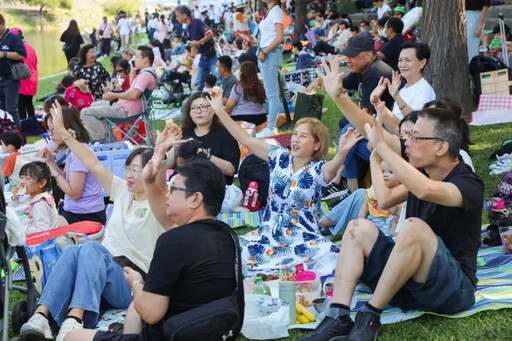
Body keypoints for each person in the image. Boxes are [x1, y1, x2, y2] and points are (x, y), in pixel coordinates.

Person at [300, 101, 483, 341]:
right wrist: (338, 95)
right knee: (358, 228)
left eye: (416, 138)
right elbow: (383, 199)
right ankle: (338, 315)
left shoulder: (468, 185)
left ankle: (370, 316)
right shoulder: (423, 172)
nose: (407, 142)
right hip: (407, 283)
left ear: (441, 147)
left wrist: (382, 147)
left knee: (414, 227)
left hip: (452, 289)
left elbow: (426, 189)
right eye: (407, 136)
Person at [19, 100, 166, 341]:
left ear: (152, 172)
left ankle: (75, 319)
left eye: (137, 170)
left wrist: (160, 153)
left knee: (90, 249)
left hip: (132, 282)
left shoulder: (160, 203)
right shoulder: (121, 190)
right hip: (101, 275)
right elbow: (92, 161)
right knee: (72, 251)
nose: (129, 173)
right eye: (128, 167)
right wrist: (64, 134)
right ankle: (41, 317)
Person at [66, 157, 241, 341]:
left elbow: (151, 313)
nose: (166, 195)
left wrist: (136, 283)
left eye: (173, 189)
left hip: (173, 334)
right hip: (213, 330)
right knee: (135, 306)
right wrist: (150, 179)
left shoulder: (172, 241)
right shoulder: (227, 235)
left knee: (72, 336)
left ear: (195, 199)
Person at [207, 88, 364, 274]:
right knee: (230, 249)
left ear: (316, 145)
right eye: (295, 134)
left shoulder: (317, 169)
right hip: (269, 233)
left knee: (329, 256)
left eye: (303, 136)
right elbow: (246, 139)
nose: (295, 139)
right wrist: (220, 111)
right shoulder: (279, 157)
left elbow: (332, 168)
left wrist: (342, 152)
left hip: (302, 238)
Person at [41, 105, 106, 226]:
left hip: (87, 216)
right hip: (77, 211)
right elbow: (66, 179)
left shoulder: (78, 154)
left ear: (66, 128)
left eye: (52, 129)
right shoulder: (74, 150)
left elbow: (74, 193)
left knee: (42, 226)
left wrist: (53, 173)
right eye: (48, 130)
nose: (50, 134)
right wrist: (51, 162)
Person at [80, 46, 158, 142]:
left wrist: (114, 95)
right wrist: (133, 70)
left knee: (85, 112)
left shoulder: (145, 75)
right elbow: (132, 87)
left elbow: (134, 95)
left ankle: (102, 139)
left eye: (137, 57)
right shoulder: (148, 73)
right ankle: (108, 136)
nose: (134, 59)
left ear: (145, 59)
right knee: (93, 105)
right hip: (128, 108)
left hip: (125, 111)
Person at [370, 42, 436, 132]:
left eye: (408, 60)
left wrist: (396, 97)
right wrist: (376, 102)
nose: (402, 65)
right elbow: (393, 123)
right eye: (400, 60)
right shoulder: (403, 90)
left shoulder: (425, 90)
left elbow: (414, 123)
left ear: (422, 63)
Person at [180, 92, 240, 185]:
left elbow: (231, 170)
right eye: (193, 108)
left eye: (203, 107)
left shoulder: (225, 134)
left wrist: (205, 154)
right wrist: (173, 145)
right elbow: (168, 165)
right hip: (186, 184)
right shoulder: (184, 132)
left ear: (213, 109)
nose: (198, 111)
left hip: (215, 187)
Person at [255, 0, 284, 138]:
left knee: (272, 94)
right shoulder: (270, 12)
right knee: (270, 93)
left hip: (269, 54)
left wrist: (265, 51)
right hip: (264, 54)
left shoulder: (276, 11)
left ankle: (271, 127)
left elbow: (280, 38)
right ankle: (270, 126)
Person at [10, 161, 59, 234]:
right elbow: (19, 208)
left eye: (28, 178)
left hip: (43, 240)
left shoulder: (40, 204)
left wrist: (21, 229)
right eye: (22, 177)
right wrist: (15, 197)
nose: (22, 182)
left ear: (42, 183)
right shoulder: (34, 196)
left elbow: (42, 230)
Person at [176, 5, 216, 91]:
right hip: (203, 56)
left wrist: (199, 42)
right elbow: (193, 44)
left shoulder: (197, 22)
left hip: (211, 55)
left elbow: (210, 34)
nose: (177, 18)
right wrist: (192, 57)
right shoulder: (187, 28)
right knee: (199, 82)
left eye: (178, 15)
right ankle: (200, 102)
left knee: (218, 79)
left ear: (185, 15)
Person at [0, 14, 26, 129]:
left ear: (3, 24)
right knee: (1, 110)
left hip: (10, 79)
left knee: (11, 109)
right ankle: (4, 135)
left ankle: (17, 136)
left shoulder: (13, 38)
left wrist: (4, 54)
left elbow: (22, 55)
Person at [225, 61, 267, 126]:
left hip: (241, 118)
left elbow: (229, 106)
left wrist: (223, 115)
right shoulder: (260, 85)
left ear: (242, 72)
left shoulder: (238, 86)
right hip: (261, 117)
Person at [10, 28, 37, 121]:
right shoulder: (30, 47)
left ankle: (24, 126)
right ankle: (32, 123)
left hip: (22, 79)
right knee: (29, 103)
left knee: (21, 104)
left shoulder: (16, 49)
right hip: (33, 78)